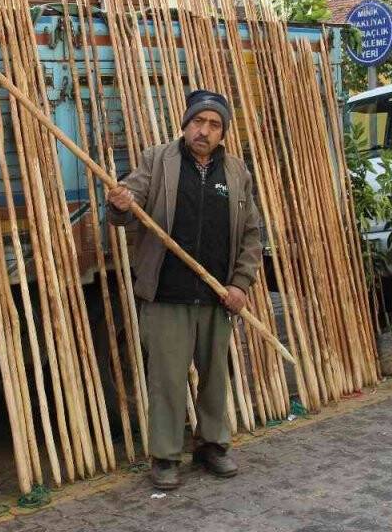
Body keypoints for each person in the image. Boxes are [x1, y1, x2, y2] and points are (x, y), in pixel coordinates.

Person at [106, 89, 263, 490]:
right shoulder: (157, 161)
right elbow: (130, 203)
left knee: (214, 376)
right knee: (168, 378)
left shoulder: (237, 173)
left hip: (215, 296)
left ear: (222, 132)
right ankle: (165, 456)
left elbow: (250, 234)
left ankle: (212, 445)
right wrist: (121, 203)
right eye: (198, 122)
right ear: (185, 124)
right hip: (168, 294)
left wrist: (240, 284)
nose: (204, 131)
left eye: (214, 125)